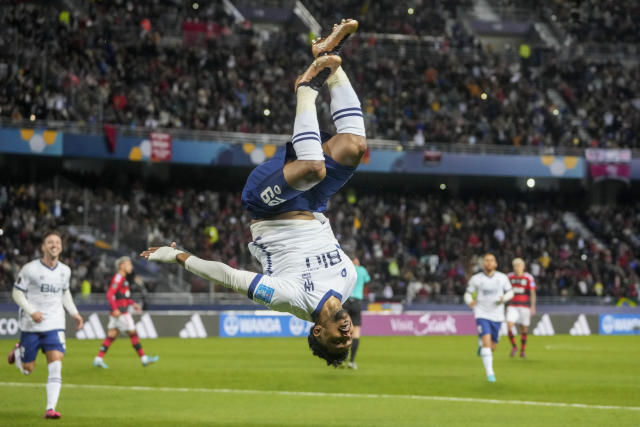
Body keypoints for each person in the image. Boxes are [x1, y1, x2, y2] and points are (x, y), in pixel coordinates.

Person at [142, 19, 365, 367]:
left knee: (313, 168)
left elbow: (229, 277)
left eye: (339, 343)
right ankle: (329, 57)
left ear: (318, 333)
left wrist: (177, 257)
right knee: (354, 147)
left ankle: (306, 88)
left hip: (266, 205)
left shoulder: (287, 299)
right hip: (311, 202)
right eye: (348, 343)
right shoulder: (347, 278)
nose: (347, 336)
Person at [7, 230, 84, 419]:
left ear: (61, 247)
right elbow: (17, 293)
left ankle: (50, 409)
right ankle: (18, 353)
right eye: (50, 242)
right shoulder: (30, 269)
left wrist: (74, 313)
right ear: (43, 247)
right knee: (27, 370)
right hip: (31, 325)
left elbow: (64, 294)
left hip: (55, 323)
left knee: (56, 364)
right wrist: (31, 311)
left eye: (57, 242)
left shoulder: (65, 270)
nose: (54, 245)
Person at [93, 256, 158, 368]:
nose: (131, 267)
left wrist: (133, 304)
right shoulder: (118, 278)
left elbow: (123, 297)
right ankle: (144, 358)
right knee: (133, 333)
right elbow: (109, 294)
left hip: (118, 313)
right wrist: (115, 309)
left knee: (111, 335)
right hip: (121, 313)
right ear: (121, 265)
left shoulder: (123, 279)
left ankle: (98, 359)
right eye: (128, 264)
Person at [464, 253, 513, 382]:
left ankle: (481, 345)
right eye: (486, 260)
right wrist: (470, 301)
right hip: (482, 314)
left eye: (491, 260)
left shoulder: (502, 278)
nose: (489, 263)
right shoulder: (476, 279)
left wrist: (504, 298)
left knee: (493, 346)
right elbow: (468, 294)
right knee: (487, 342)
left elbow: (510, 292)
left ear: (495, 264)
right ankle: (490, 374)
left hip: (497, 315)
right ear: (483, 263)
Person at [340, 257, 370, 369]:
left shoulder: (347, 268)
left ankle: (342, 359)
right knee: (356, 332)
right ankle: (352, 362)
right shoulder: (362, 270)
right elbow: (368, 280)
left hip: (346, 302)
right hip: (357, 302)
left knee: (343, 330)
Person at [506, 258, 537, 358]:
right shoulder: (509, 277)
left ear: (523, 267)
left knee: (523, 328)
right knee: (509, 325)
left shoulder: (528, 278)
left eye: (519, 265)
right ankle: (514, 346)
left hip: (524, 306)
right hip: (512, 305)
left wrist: (532, 306)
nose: (517, 267)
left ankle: (522, 351)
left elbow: (532, 293)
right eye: (515, 265)